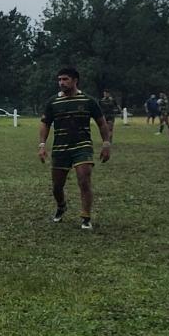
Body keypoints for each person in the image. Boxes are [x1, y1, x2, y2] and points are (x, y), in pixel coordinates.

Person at [38, 66, 112, 230]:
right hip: (60, 147)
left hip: (82, 146)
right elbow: (45, 124)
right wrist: (42, 144)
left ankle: (86, 217)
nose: (61, 83)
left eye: (65, 79)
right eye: (59, 79)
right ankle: (61, 205)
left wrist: (106, 143)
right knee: (57, 186)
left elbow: (101, 123)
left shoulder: (88, 101)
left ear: (75, 80)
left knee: (84, 179)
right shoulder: (53, 102)